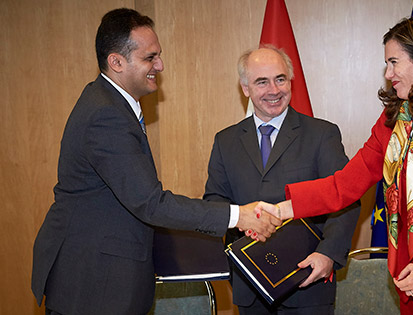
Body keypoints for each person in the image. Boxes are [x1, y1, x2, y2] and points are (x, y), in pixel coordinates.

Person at [31, 8, 280, 315]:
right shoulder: (105, 115)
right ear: (116, 62)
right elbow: (149, 203)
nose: (160, 65)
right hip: (94, 286)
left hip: (103, 279)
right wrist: (237, 216)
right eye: (150, 58)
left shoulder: (111, 103)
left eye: (158, 55)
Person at [259, 15, 413, 314]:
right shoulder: (393, 122)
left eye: (393, 62)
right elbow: (346, 183)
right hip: (411, 291)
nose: (388, 73)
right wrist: (281, 209)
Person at [203, 46, 360, 314]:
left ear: (290, 80)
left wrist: (328, 255)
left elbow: (346, 199)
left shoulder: (322, 134)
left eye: (280, 79)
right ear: (245, 88)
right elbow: (215, 202)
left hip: (308, 283)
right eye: (261, 82)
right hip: (249, 286)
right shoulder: (225, 141)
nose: (274, 90)